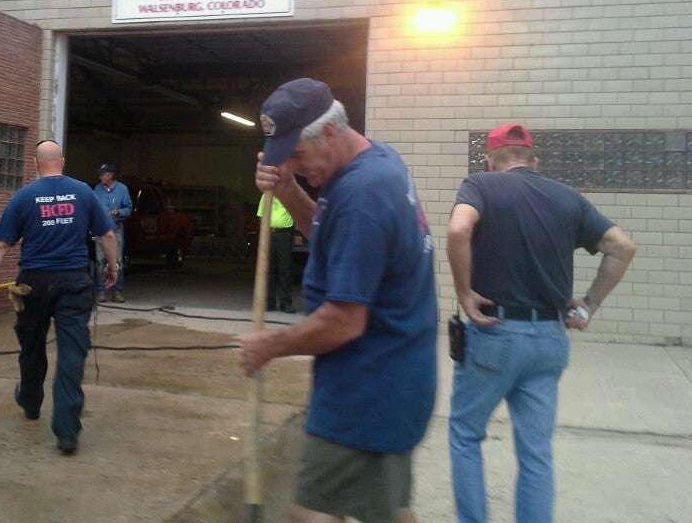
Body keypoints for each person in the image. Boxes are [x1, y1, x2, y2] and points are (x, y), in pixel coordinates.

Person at [239, 78, 436, 523]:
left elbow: (344, 322)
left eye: (297, 155)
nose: (293, 164)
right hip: (391, 377)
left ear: (329, 132)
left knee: (309, 513)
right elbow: (330, 239)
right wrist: (290, 186)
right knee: (386, 508)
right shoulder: (372, 162)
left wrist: (267, 346)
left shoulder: (362, 195)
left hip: (369, 385)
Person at [446, 123, 637, 523]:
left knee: (466, 436)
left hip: (495, 336)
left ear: (490, 160)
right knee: (536, 453)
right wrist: (587, 305)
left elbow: (459, 228)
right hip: (550, 339)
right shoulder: (569, 198)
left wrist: (464, 292)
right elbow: (622, 246)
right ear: (534, 161)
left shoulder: (480, 185)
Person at [0, 140, 118, 456]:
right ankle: (66, 431)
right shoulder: (83, 192)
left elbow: (1, 245)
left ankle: (30, 400)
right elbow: (106, 234)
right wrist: (113, 266)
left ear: (36, 163)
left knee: (31, 343)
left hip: (32, 283)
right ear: (62, 162)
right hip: (75, 281)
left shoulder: (24, 196)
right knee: (71, 350)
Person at [92, 163, 133, 303]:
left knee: (118, 261)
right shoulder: (97, 189)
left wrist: (119, 212)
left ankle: (118, 292)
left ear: (110, 175)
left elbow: (129, 208)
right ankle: (101, 291)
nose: (100, 176)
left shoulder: (122, 189)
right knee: (100, 261)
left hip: (116, 229)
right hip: (100, 231)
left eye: (102, 174)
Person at [256, 192, 297, 313]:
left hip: (285, 233)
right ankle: (270, 303)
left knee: (285, 270)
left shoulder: (289, 194)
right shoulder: (266, 195)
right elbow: (261, 215)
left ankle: (285, 303)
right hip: (269, 233)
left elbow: (298, 212)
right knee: (269, 270)